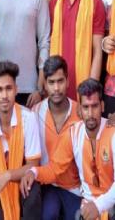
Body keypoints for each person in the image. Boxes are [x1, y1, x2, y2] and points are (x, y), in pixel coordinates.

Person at [22, 79, 115, 220]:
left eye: (95, 106)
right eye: (86, 107)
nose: (91, 113)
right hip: (87, 203)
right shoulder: (74, 133)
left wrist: (98, 206)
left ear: (103, 106)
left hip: (112, 201)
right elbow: (55, 168)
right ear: (79, 109)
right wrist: (34, 172)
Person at [49, 0, 105, 100]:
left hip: (83, 91)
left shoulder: (95, 3)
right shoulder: (54, 3)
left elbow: (97, 52)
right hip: (57, 90)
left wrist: (90, 94)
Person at [0, 61, 42, 220]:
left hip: (23, 181)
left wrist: (8, 175)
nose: (4, 95)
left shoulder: (28, 119)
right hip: (0, 187)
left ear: (16, 90)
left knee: (33, 194)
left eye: (8, 88)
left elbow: (33, 165)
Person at [31, 56, 81, 220]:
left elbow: (100, 124)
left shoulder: (80, 112)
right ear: (44, 84)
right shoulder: (35, 113)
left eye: (60, 81)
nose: (57, 88)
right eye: (51, 82)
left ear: (68, 81)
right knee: (49, 215)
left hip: (75, 188)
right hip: (48, 185)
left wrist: (112, 121)